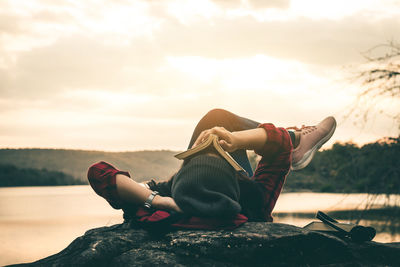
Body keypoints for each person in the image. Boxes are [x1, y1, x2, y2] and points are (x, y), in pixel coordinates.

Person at [87, 109, 336, 229]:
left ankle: (296, 141)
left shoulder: (166, 202)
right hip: (221, 188)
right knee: (218, 120)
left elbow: (99, 172)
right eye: (218, 152)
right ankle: (298, 140)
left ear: (180, 177)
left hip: (178, 198)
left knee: (215, 119)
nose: (205, 142)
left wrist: (161, 201)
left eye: (196, 151)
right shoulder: (254, 202)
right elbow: (278, 142)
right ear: (237, 176)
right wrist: (235, 140)